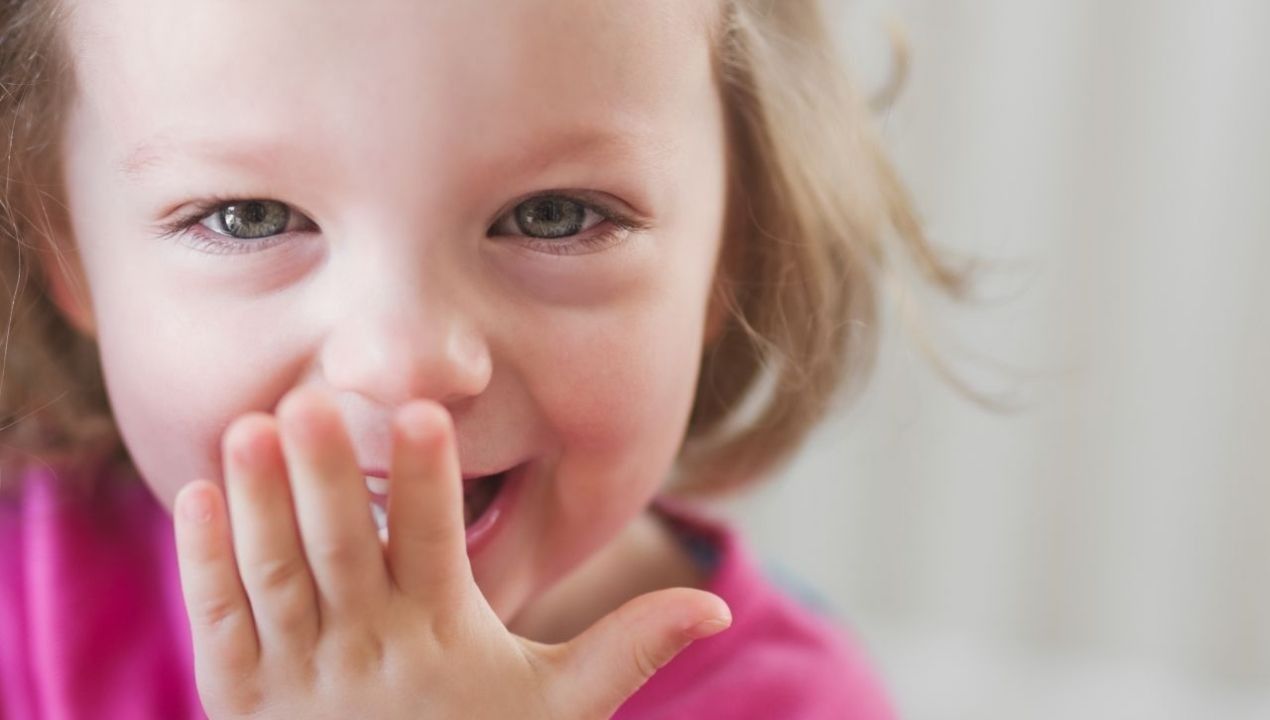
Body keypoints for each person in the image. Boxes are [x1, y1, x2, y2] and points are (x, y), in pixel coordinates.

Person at [0, 0, 962, 717]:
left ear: (731, 254)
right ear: (69, 255)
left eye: (554, 215)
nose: (404, 364)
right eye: (250, 218)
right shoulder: (26, 600)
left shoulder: (786, 705)